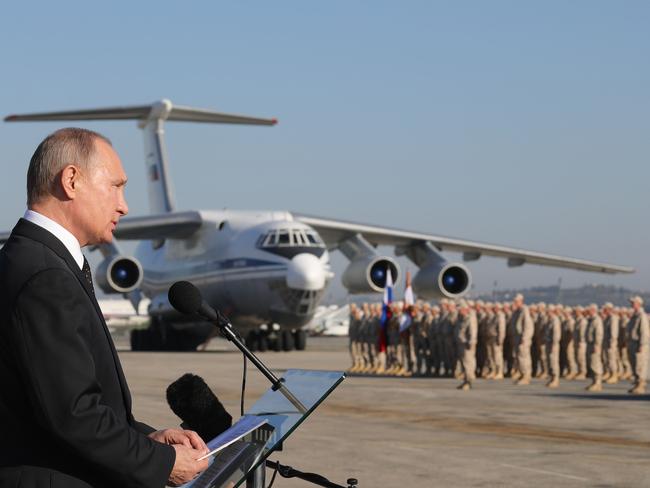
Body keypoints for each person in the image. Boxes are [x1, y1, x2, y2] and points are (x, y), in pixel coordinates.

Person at [0, 129, 209, 488]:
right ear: (71, 180)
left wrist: (145, 441)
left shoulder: (33, 260)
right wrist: (162, 463)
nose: (124, 205)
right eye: (116, 186)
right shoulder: (45, 275)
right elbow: (74, 415)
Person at [626, 296, 649, 394]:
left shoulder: (641, 316)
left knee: (640, 365)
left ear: (639, 304)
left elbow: (644, 331)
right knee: (634, 364)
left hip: (639, 344)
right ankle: (636, 383)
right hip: (632, 343)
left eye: (633, 303)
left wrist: (642, 344)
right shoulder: (635, 315)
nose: (631, 304)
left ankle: (641, 385)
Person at [585, 304, 604, 392]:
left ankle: (598, 383)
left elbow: (598, 334)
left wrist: (597, 344)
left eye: (589, 309)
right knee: (592, 363)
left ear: (593, 310)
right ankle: (594, 382)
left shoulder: (597, 320)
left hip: (594, 345)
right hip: (590, 344)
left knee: (596, 363)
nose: (587, 311)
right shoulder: (591, 320)